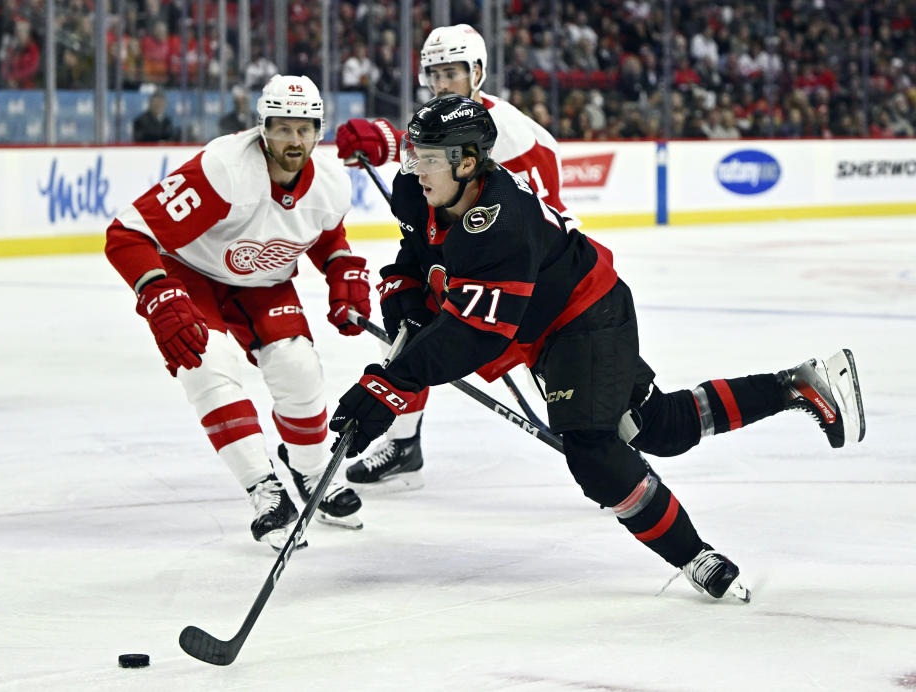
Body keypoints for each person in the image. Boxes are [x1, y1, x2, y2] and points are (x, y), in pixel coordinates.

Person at [329, 95, 865, 601]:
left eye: (428, 158)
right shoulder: (415, 189)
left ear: (467, 162)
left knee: (591, 449)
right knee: (656, 427)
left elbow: (475, 335)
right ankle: (795, 386)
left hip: (585, 312)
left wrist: (391, 385)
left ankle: (693, 554)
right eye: (415, 155)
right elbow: (416, 251)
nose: (415, 168)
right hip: (546, 327)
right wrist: (404, 292)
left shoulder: (500, 223)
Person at [105, 75, 372, 548]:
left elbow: (324, 233)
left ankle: (312, 474)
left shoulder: (330, 182)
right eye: (283, 127)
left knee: (298, 365)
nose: (294, 140)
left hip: (262, 280)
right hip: (191, 271)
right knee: (205, 364)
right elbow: (127, 235)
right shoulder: (224, 168)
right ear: (263, 126)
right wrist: (157, 294)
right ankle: (265, 490)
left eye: (305, 128)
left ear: (319, 130)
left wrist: (341, 270)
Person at [335, 24, 573, 489]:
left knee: (553, 369)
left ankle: (606, 439)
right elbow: (418, 147)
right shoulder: (448, 117)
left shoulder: (517, 137)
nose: (442, 83)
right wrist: (380, 138)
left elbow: (543, 223)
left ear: (478, 72)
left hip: (523, 277)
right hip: (460, 265)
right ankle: (404, 445)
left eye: (452, 72)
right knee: (404, 330)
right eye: (434, 73)